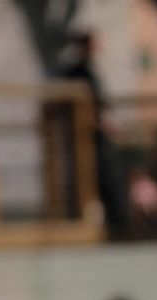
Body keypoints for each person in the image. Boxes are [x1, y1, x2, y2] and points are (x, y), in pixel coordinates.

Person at [58, 30, 129, 239]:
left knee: (102, 181)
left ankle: (116, 225)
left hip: (93, 138)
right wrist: (103, 126)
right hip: (88, 139)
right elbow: (85, 108)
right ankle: (116, 227)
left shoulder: (86, 71)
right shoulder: (78, 73)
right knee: (101, 180)